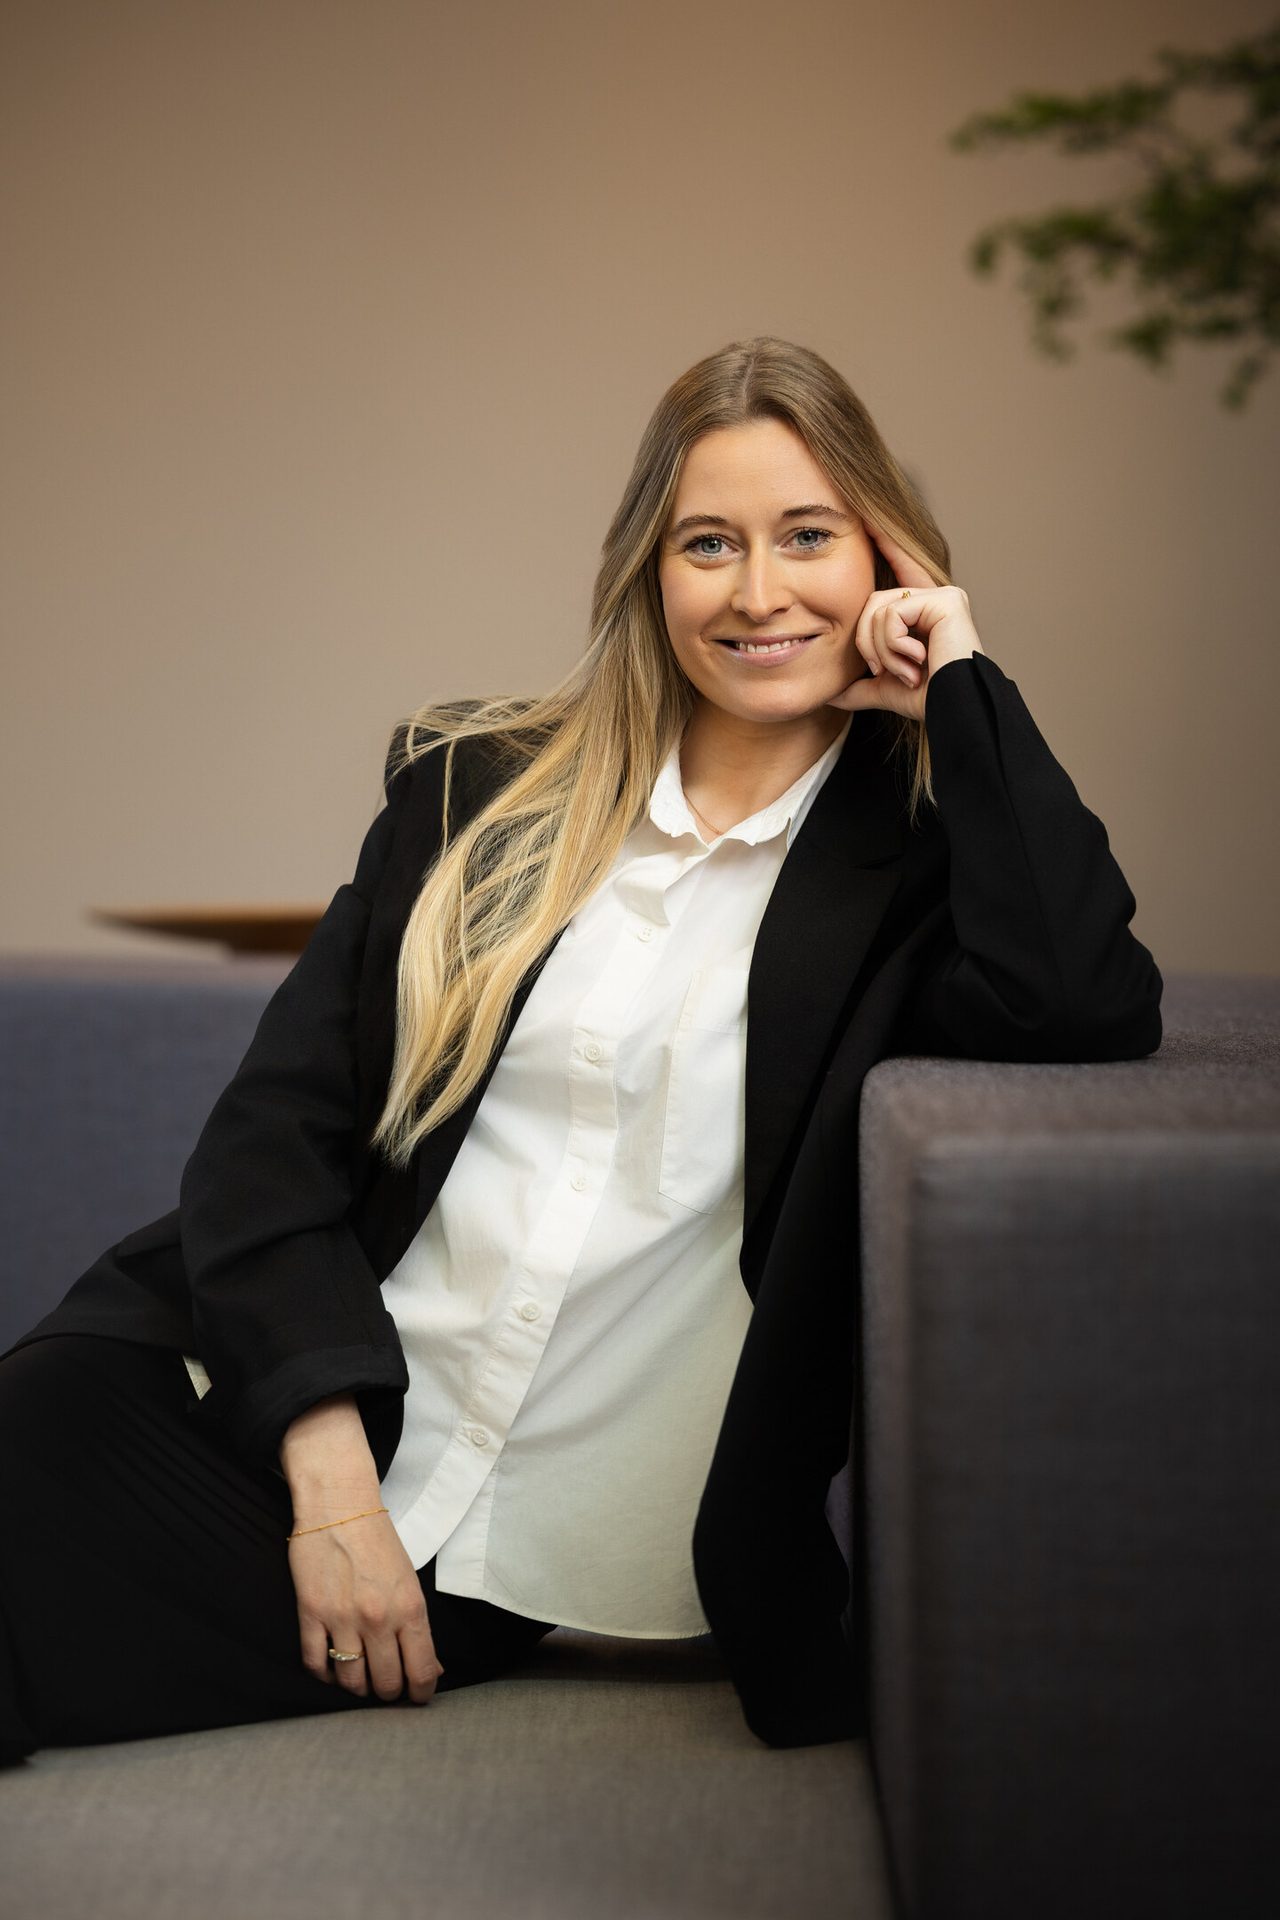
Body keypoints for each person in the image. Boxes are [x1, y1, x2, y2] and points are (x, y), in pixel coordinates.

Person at [0, 335, 1163, 1765]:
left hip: (513, 1561)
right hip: (238, 1408)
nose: (758, 592)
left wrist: (965, 686)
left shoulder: (918, 878)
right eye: (708, 543)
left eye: (809, 536)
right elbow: (267, 1142)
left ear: (888, 562)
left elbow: (1082, 1003)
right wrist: (334, 1487)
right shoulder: (474, 793)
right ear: (648, 574)